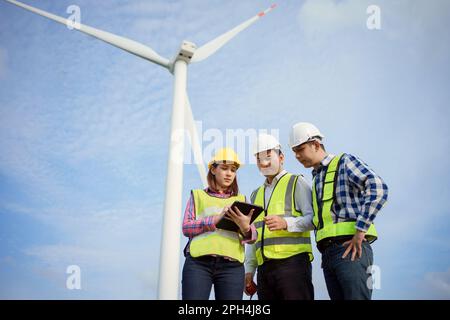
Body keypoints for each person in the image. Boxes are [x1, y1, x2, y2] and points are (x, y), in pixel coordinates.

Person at [289, 122, 389, 300]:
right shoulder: (317, 178)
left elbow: (378, 188)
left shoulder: (344, 162)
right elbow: (318, 220)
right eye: (294, 151)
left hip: (351, 248)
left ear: (316, 144)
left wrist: (360, 231)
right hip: (328, 254)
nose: (297, 155)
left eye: (300, 149)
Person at [244, 133, 314, 300]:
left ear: (281, 157)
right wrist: (249, 271)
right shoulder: (255, 194)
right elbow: (254, 236)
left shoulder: (296, 182)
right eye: (259, 159)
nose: (264, 163)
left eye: (268, 156)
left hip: (293, 265)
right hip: (264, 270)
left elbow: (313, 219)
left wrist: (286, 223)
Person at [182, 147, 257, 300]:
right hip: (198, 264)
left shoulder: (241, 200)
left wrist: (245, 228)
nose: (229, 173)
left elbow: (253, 236)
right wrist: (215, 220)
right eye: (224, 168)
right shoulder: (198, 195)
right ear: (213, 170)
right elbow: (186, 227)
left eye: (233, 170)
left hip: (232, 267)